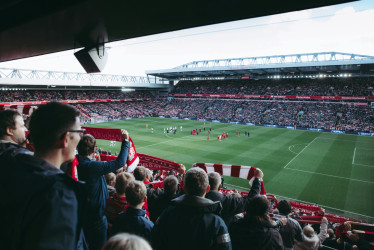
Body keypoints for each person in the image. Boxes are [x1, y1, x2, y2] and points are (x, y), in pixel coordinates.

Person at [1, 102, 87, 250]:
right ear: (66, 138)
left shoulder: (10, 167)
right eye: (79, 132)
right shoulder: (58, 193)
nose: (80, 137)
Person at [152, 167, 232, 250]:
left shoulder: (167, 214)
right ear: (208, 188)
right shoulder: (217, 223)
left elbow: (155, 241)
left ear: (185, 188)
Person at [77, 131, 130, 250]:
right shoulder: (93, 167)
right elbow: (120, 162)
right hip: (96, 218)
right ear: (94, 149)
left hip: (81, 214)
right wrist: (125, 141)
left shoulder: (73, 163)